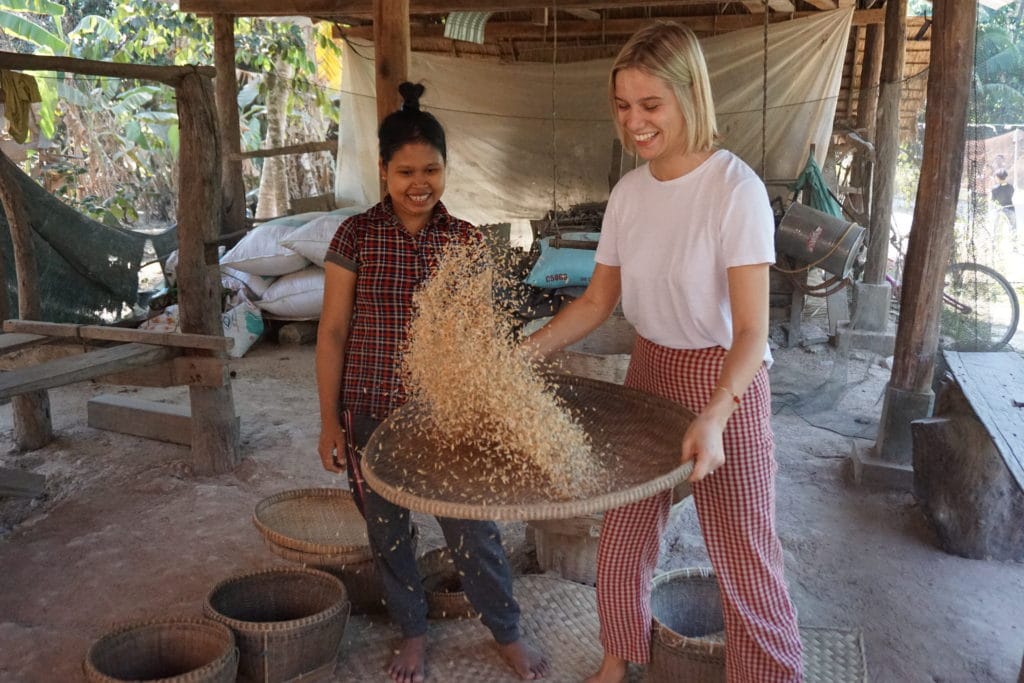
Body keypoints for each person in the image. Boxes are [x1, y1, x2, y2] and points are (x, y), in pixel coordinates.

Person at [522, 22, 803, 683]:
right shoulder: (629, 195)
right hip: (649, 369)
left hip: (724, 376)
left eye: (651, 106)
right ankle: (619, 659)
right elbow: (595, 303)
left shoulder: (736, 192)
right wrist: (523, 351)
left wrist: (714, 414)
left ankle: (771, 673)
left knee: (742, 544)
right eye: (623, 106)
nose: (635, 122)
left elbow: (753, 334)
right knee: (624, 529)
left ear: (690, 96)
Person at [316, 82, 549, 683]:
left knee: (472, 525)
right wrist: (327, 419)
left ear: (447, 169)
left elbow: (478, 338)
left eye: (432, 170)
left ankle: (506, 631)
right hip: (370, 410)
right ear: (383, 171)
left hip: (444, 415)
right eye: (405, 171)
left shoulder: (464, 241)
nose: (419, 183)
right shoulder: (356, 237)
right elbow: (334, 332)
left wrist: (490, 408)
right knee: (388, 530)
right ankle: (413, 632)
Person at [991, 169, 1016, 235]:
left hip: (999, 209)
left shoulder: (995, 189)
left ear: (998, 177)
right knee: (1013, 228)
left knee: (995, 228)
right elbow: (1011, 195)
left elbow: (993, 200)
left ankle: (993, 242)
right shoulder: (1011, 187)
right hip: (1010, 209)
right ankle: (1014, 243)